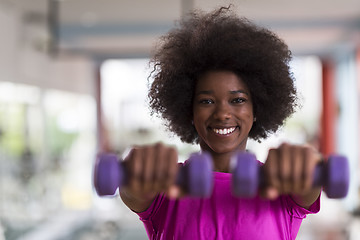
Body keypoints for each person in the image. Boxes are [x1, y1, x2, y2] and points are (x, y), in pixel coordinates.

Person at [119, 6, 321, 239]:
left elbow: (308, 189)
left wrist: (305, 167)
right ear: (189, 111)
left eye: (237, 100)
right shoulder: (165, 187)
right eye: (206, 101)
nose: (223, 113)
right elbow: (133, 192)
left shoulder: (281, 185)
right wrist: (133, 174)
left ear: (257, 109)